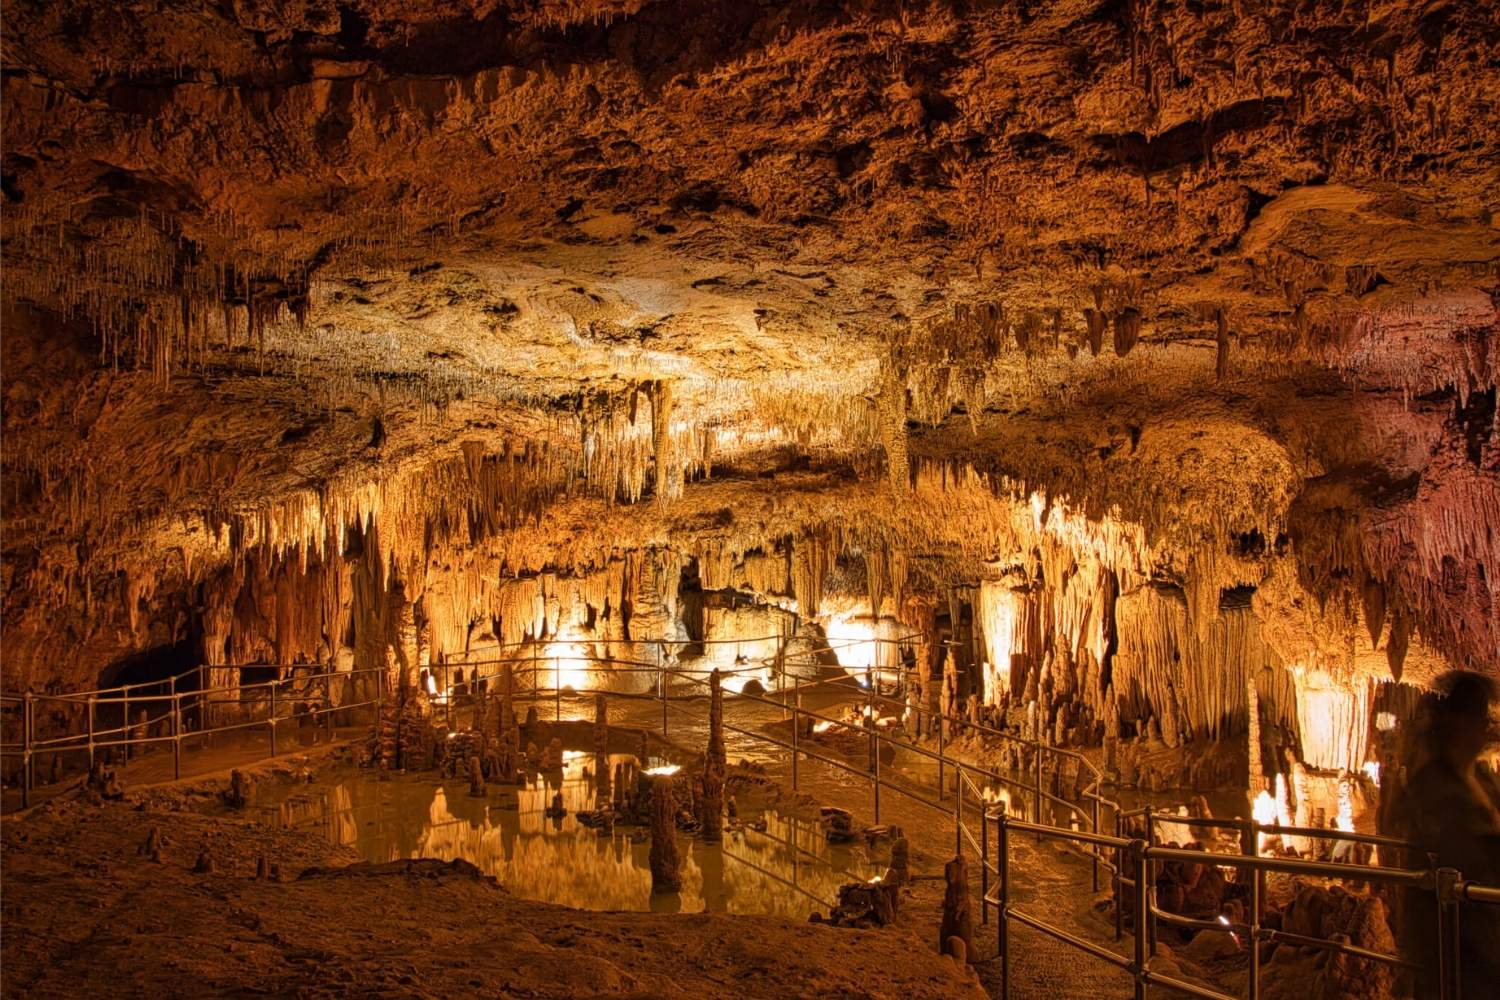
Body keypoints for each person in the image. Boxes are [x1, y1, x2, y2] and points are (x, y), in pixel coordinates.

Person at [1386, 671, 1500, 997]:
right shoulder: (1434, 790)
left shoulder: (1483, 780)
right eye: (1480, 718)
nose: (1485, 728)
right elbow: (1463, 859)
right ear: (1458, 724)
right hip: (1456, 947)